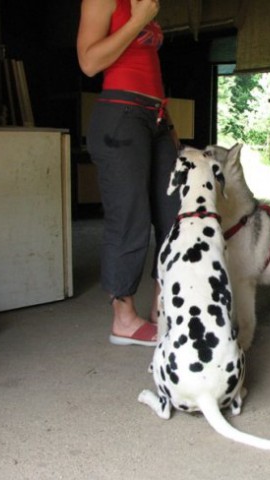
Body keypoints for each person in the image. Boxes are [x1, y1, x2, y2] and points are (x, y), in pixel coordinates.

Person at [77, 0, 181, 346]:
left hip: (155, 117)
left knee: (174, 215)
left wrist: (168, 124)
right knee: (129, 217)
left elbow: (147, 64)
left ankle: (161, 309)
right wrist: (138, 20)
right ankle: (123, 319)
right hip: (120, 114)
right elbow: (89, 63)